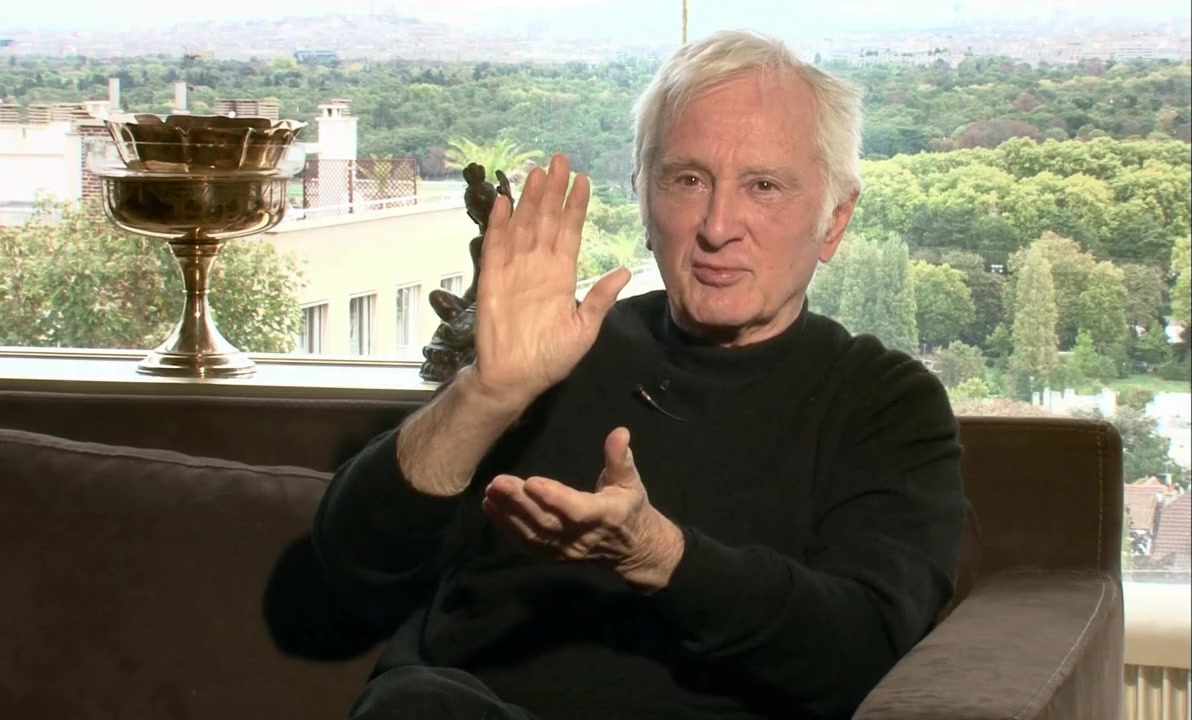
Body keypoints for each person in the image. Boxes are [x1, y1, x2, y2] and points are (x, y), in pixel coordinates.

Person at [313, 29, 965, 720]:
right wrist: (486, 394)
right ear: (643, 200)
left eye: (764, 186)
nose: (718, 226)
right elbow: (352, 571)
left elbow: (863, 650)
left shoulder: (884, 402)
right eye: (687, 180)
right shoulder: (551, 352)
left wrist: (659, 556)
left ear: (834, 220)